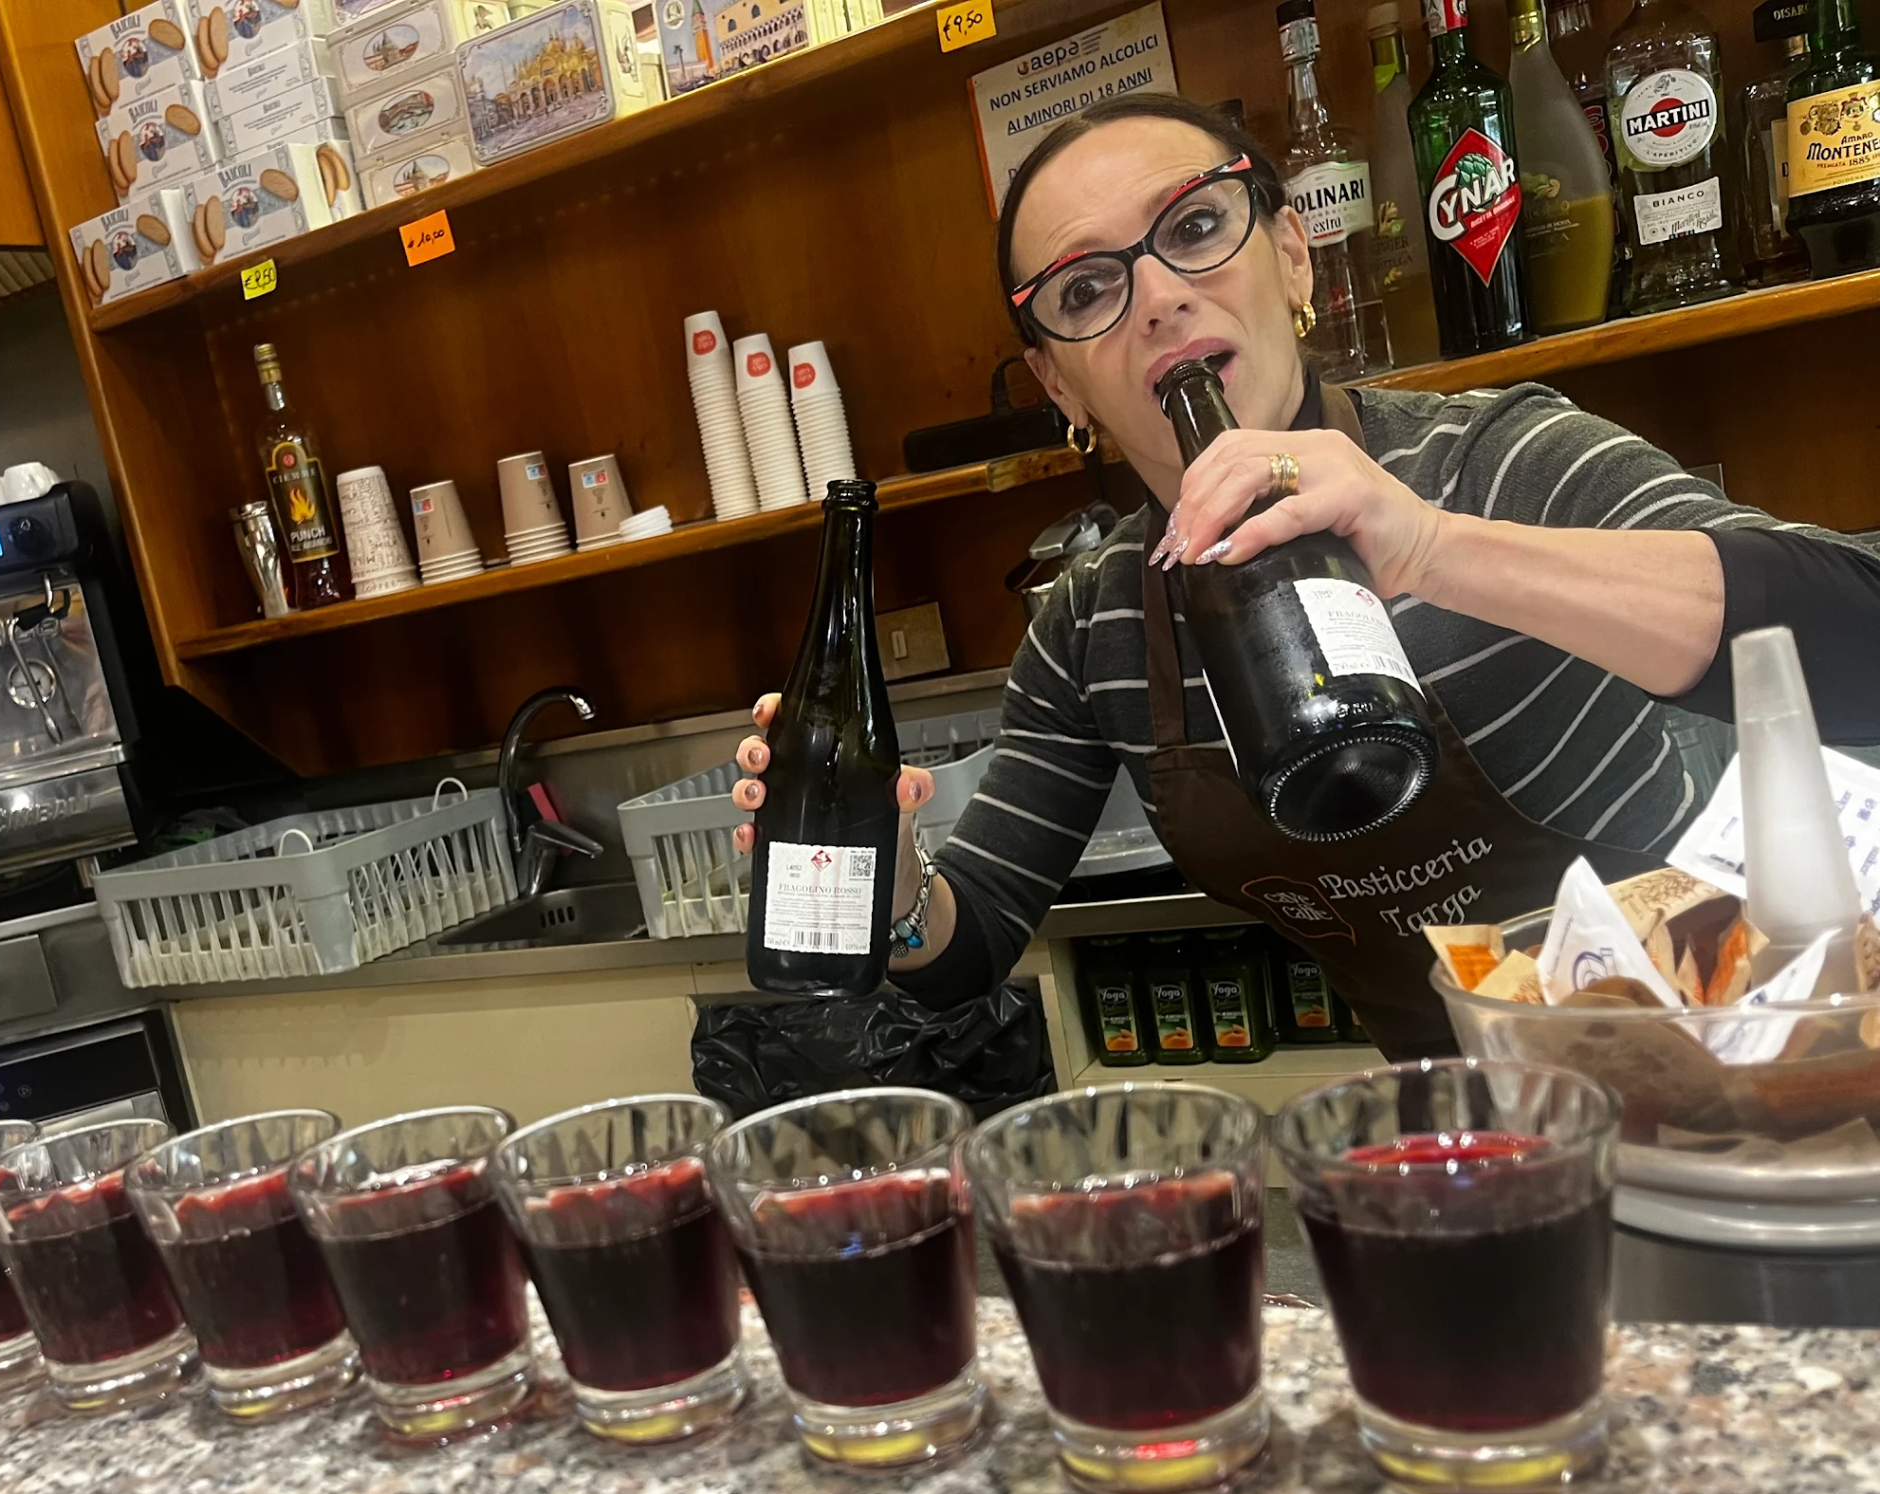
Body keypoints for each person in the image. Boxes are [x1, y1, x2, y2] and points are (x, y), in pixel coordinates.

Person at [731, 93, 1880, 1056]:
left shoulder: (1496, 463)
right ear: (1058, 387)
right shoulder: (1093, 628)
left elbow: (1859, 637)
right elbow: (965, 943)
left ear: (1292, 257)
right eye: (1085, 290)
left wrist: (1432, 547)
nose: (1159, 296)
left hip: (1760, 1082)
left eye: (1194, 229)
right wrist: (888, 886)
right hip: (1473, 1155)